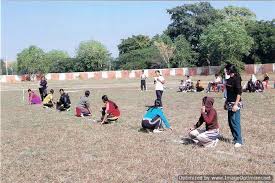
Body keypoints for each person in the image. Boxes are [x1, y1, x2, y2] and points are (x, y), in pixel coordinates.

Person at [224, 63, 243, 148]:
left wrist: (235, 105)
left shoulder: (237, 78)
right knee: (230, 122)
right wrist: (226, 102)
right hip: (229, 102)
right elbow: (228, 92)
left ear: (230, 70)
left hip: (235, 103)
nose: (225, 71)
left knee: (235, 122)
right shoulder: (230, 78)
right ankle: (235, 138)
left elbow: (239, 93)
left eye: (226, 69)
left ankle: (239, 140)